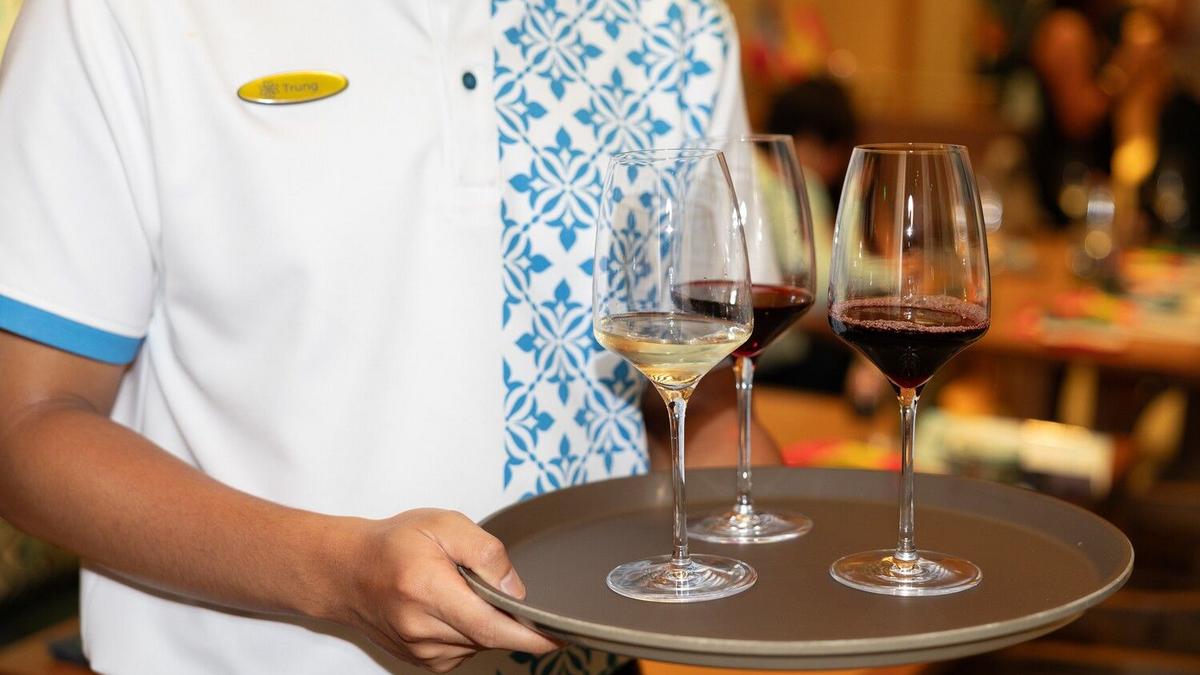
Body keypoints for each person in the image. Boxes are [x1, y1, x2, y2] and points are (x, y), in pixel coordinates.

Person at [0, 1, 768, 673]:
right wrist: (336, 573)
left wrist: (802, 546)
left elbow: (686, 395)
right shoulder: (120, 13)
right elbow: (24, 426)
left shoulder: (677, 27)